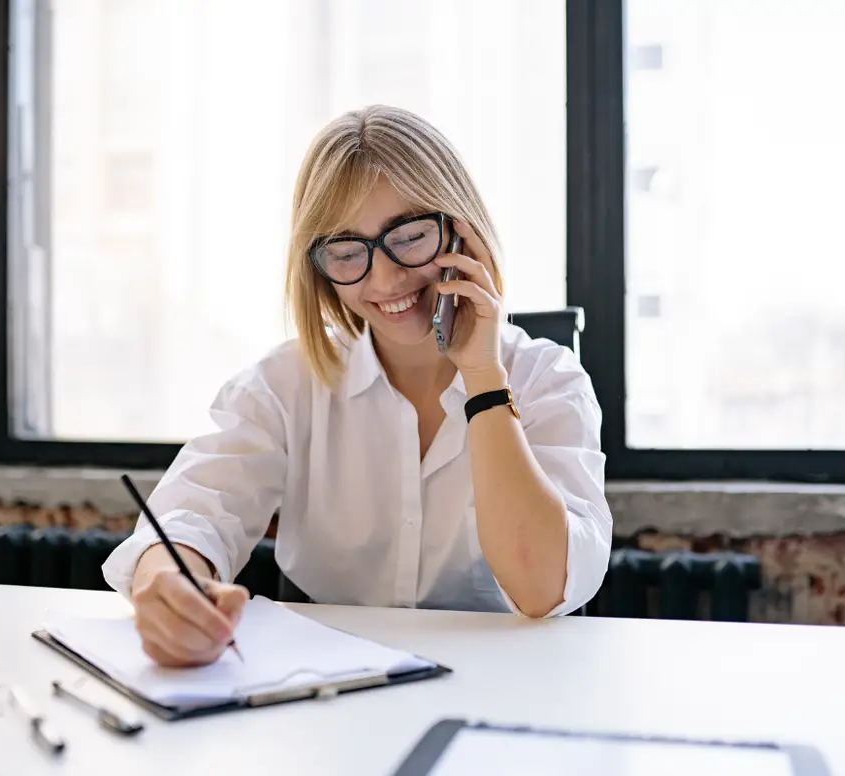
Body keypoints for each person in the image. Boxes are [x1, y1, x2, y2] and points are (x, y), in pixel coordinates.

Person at [100, 105, 611, 667]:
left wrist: (483, 378)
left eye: (411, 236)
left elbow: (543, 587)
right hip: (330, 692)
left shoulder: (547, 379)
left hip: (501, 684)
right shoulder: (284, 384)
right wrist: (171, 584)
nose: (386, 278)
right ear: (319, 266)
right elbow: (194, 514)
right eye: (347, 252)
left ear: (461, 230)